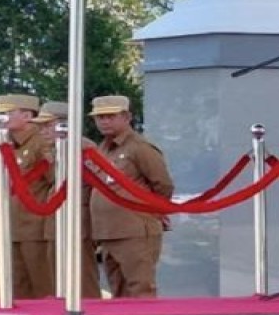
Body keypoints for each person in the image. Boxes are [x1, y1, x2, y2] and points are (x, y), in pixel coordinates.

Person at [88, 95, 175, 299]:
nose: (104, 121)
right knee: (118, 290)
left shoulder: (139, 147)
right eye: (100, 117)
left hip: (134, 230)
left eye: (111, 116)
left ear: (127, 117)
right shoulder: (102, 148)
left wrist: (150, 213)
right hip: (108, 231)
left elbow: (163, 184)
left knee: (140, 289)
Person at [33, 101, 101, 299]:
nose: (43, 131)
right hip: (56, 218)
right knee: (58, 276)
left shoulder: (83, 147)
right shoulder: (53, 149)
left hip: (77, 220)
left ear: (65, 123)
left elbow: (97, 184)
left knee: (82, 278)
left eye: (48, 125)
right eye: (40, 126)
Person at [0, 93, 54, 298]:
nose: (1, 118)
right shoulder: (8, 144)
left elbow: (54, 181)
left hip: (35, 228)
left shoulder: (40, 143)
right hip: (13, 226)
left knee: (43, 288)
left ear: (27, 116)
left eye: (8, 113)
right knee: (17, 290)